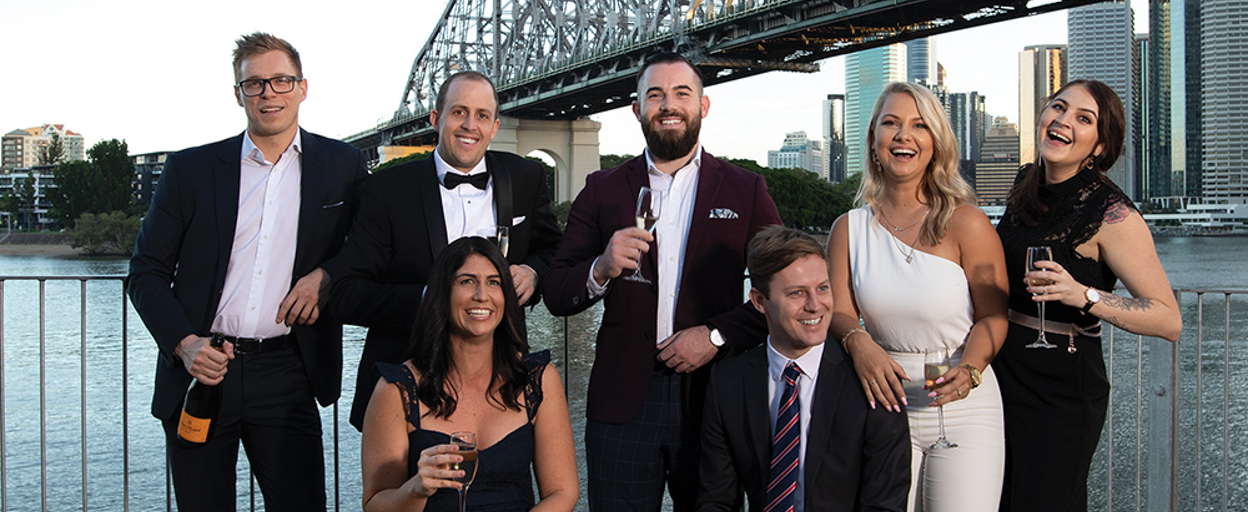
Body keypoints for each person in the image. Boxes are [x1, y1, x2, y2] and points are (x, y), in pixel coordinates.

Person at [127, 32, 368, 511]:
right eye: (254, 84)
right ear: (238, 94)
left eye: (281, 81)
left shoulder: (343, 165)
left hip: (289, 369)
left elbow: (367, 251)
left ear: (303, 87)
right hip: (203, 368)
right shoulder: (190, 170)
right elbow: (146, 271)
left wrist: (327, 276)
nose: (268, 93)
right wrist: (185, 344)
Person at [542, 51, 782, 511]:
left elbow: (782, 294)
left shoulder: (745, 189)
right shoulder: (602, 188)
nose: (668, 105)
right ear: (637, 109)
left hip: (714, 395)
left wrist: (715, 335)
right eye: (655, 95)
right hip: (622, 398)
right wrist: (600, 267)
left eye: (681, 94)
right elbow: (555, 292)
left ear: (703, 106)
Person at [329, 70, 562, 431]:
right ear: (436, 119)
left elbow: (552, 250)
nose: (470, 125)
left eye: (482, 115)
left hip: (502, 389)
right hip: (407, 391)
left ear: (494, 127)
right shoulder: (387, 189)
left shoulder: (526, 177)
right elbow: (345, 292)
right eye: (459, 112)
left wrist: (533, 273)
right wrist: (430, 297)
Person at [994, 79, 1181, 512]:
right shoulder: (1026, 183)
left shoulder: (1112, 213)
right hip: (1002, 372)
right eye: (1058, 107)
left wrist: (1084, 294)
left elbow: (1168, 319)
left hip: (1059, 388)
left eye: (1084, 118)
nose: (1063, 121)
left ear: (1099, 146)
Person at [828, 82, 1009, 511]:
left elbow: (994, 316)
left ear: (936, 143)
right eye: (890, 123)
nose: (903, 135)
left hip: (965, 407)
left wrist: (971, 369)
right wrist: (859, 343)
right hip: (884, 405)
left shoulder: (968, 223)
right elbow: (838, 312)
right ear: (874, 139)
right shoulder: (848, 229)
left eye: (919, 125)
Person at [698, 226, 911, 512]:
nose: (815, 306)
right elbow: (717, 500)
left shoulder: (873, 382)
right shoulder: (727, 383)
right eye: (797, 293)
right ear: (759, 301)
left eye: (822, 288)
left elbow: (885, 504)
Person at [360, 237, 578, 512]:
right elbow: (374, 504)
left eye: (494, 282)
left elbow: (562, 492)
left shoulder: (537, 378)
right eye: (467, 281)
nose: (481, 295)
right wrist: (416, 489)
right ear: (442, 294)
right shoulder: (397, 390)